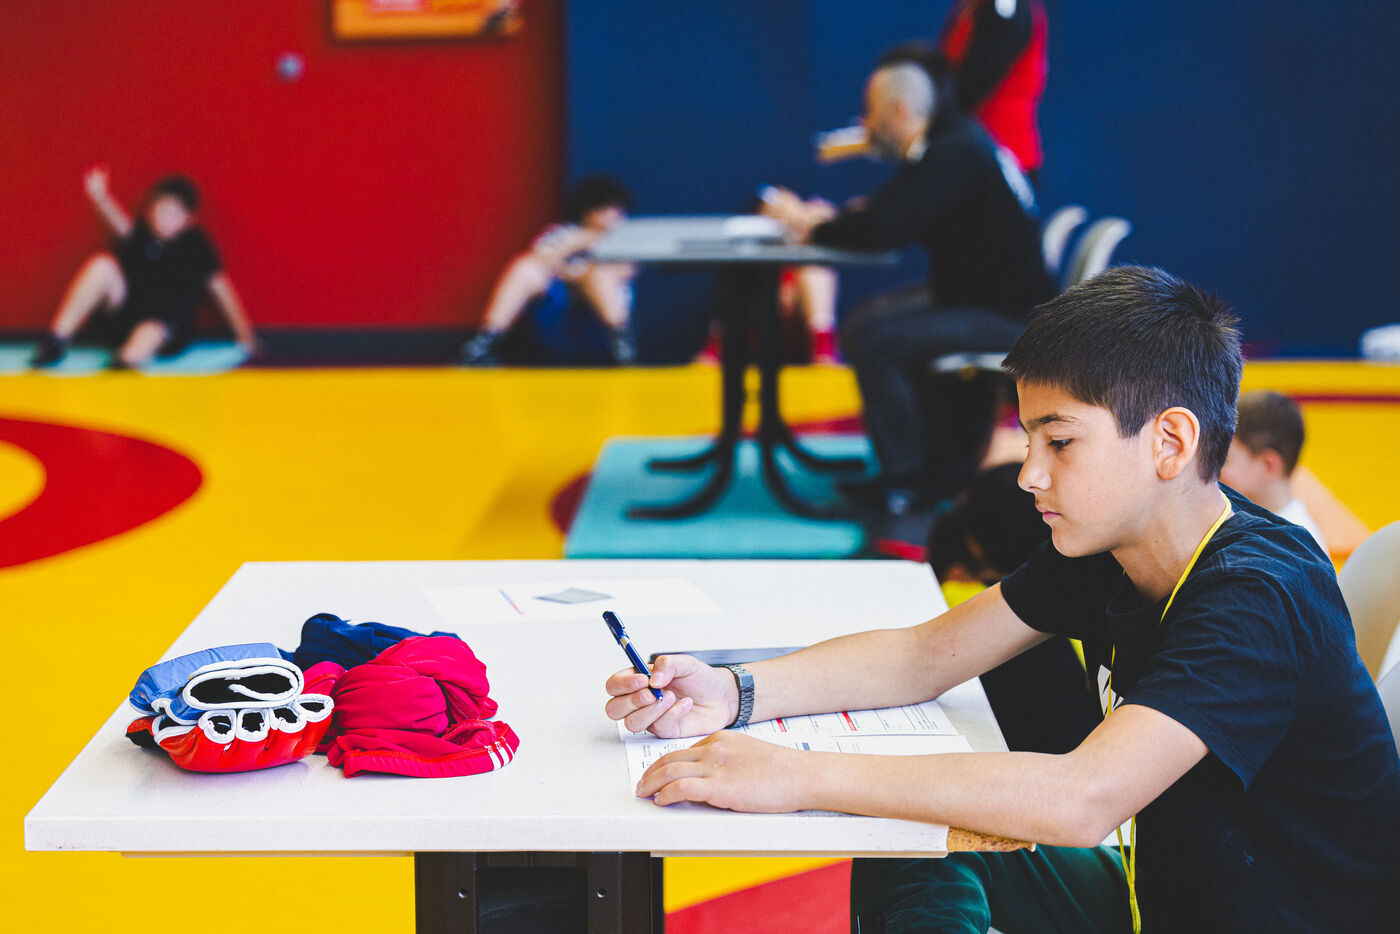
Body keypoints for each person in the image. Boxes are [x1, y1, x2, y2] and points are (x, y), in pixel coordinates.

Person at [605, 266, 1400, 932]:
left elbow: (1084, 799)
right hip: (1160, 898)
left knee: (919, 824)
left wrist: (797, 777)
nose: (1029, 474)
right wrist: (733, 691)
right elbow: (923, 656)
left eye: (1060, 441)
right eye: (1028, 440)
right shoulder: (1115, 541)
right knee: (910, 846)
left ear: (1170, 442)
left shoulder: (1258, 595)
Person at [762, 58, 1055, 551]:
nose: (865, 124)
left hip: (1010, 319)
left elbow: (882, 228)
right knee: (869, 321)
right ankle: (918, 467)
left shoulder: (952, 152)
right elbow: (891, 212)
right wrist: (838, 222)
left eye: (870, 112)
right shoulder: (954, 141)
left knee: (875, 339)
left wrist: (813, 226)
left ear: (898, 111)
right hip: (990, 300)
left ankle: (905, 483)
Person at [31, 166, 258, 369]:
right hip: (126, 315)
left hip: (164, 324)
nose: (165, 218)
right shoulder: (141, 236)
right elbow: (118, 222)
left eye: (174, 213)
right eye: (161, 210)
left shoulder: (197, 246)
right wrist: (100, 197)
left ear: (189, 219)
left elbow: (222, 292)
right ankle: (56, 341)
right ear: (150, 211)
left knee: (149, 332)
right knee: (101, 265)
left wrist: (246, 338)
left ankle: (126, 361)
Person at [460, 174, 637, 366]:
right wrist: (579, 241)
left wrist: (582, 271)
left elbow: (627, 270)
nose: (611, 215)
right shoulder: (563, 233)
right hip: (556, 310)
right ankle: (486, 339)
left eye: (617, 209)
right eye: (604, 209)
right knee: (524, 267)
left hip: (599, 314)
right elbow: (537, 259)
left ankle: (621, 343)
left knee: (600, 274)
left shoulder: (625, 239)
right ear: (587, 211)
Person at [1219, 389, 1328, 554]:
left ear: (1268, 465)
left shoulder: (1291, 545)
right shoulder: (1256, 527)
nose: (1215, 470)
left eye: (1225, 460)